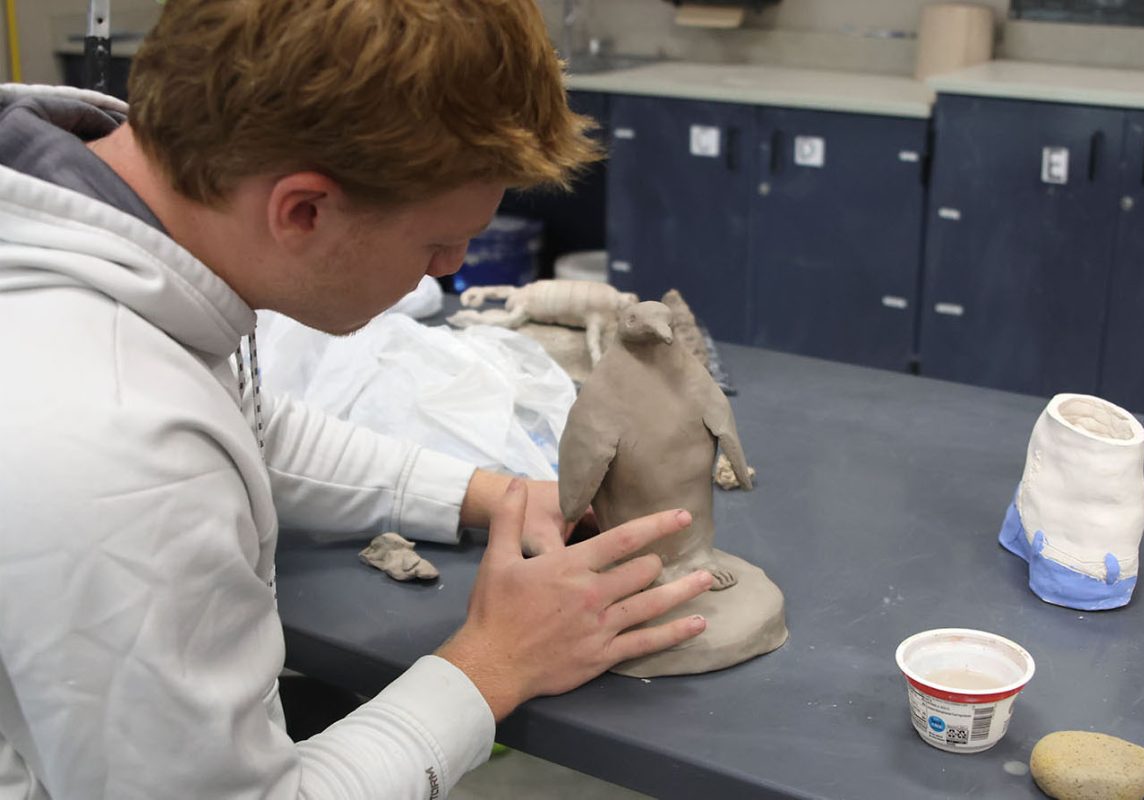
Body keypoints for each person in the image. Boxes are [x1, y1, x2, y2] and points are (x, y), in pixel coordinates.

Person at [0, 1, 714, 797]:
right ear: (303, 210)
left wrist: (494, 494)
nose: (448, 270)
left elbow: (247, 426)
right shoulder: (114, 447)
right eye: (437, 243)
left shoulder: (103, 224)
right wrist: (492, 664)